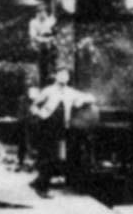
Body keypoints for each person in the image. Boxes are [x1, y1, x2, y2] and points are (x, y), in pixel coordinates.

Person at [29, 66, 95, 199]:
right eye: (61, 74)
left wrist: (82, 100)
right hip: (47, 126)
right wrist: (40, 114)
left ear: (68, 78)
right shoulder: (48, 90)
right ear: (56, 76)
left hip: (62, 127)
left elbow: (91, 97)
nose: (64, 77)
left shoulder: (71, 92)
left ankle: (38, 182)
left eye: (66, 75)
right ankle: (41, 187)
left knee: (56, 156)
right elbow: (33, 106)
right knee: (47, 155)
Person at [28, 2, 57, 84]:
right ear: (37, 13)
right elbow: (33, 36)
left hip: (52, 48)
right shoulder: (33, 22)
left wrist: (51, 38)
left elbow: (55, 33)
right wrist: (44, 39)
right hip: (41, 48)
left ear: (46, 12)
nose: (41, 14)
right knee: (42, 70)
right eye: (39, 12)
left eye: (43, 11)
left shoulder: (51, 20)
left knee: (53, 68)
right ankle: (43, 82)